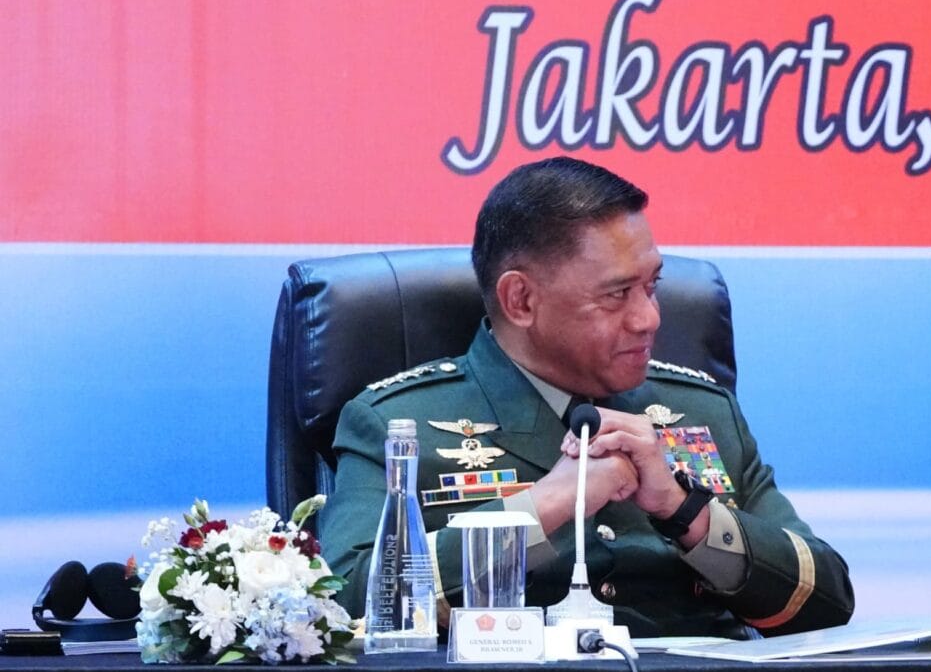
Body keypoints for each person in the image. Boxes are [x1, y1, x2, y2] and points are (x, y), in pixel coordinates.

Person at [321, 158, 852, 638]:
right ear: (521, 300)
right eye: (617, 295)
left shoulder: (702, 410)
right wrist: (544, 505)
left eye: (652, 287)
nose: (649, 318)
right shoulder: (399, 425)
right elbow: (344, 607)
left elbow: (827, 601)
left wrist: (683, 509)